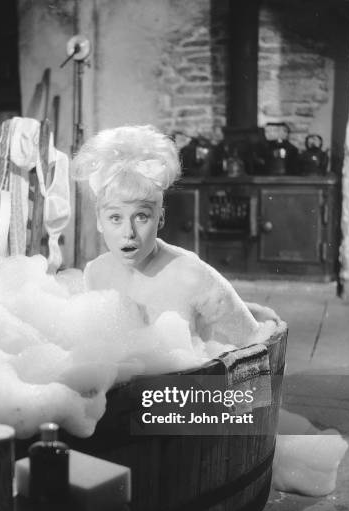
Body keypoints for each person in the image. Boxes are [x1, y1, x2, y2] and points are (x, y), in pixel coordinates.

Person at [72, 124, 265, 348]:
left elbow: (255, 346)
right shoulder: (96, 272)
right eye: (115, 218)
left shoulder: (191, 275)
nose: (128, 233)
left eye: (141, 217)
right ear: (98, 220)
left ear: (160, 218)